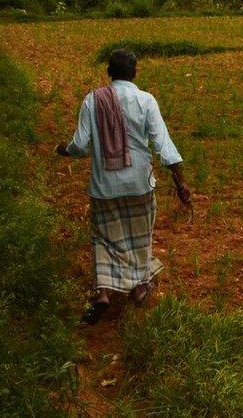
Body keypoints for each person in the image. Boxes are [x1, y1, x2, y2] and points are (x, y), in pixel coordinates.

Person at [56, 48, 191, 324]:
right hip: (139, 183)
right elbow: (163, 145)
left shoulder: (93, 100)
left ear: (108, 72)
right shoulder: (146, 100)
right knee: (140, 236)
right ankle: (140, 286)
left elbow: (81, 146)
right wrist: (181, 183)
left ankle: (103, 292)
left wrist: (64, 150)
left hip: (105, 186)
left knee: (103, 239)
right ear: (135, 72)